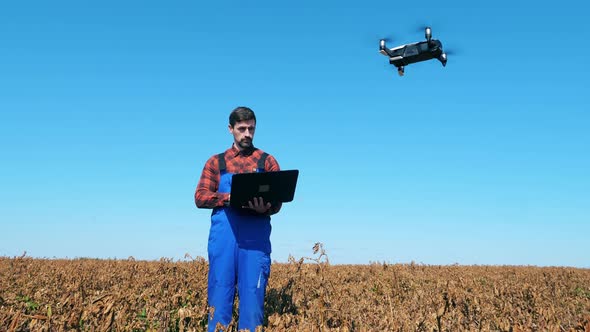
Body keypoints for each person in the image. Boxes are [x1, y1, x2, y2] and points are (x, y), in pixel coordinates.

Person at [195, 106, 281, 332]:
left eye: (251, 129)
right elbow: (200, 197)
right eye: (241, 129)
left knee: (253, 300)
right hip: (224, 240)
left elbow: (278, 201)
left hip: (255, 241)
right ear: (230, 129)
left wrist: (266, 207)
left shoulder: (267, 161)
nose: (247, 134)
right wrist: (230, 198)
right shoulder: (216, 162)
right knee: (219, 296)